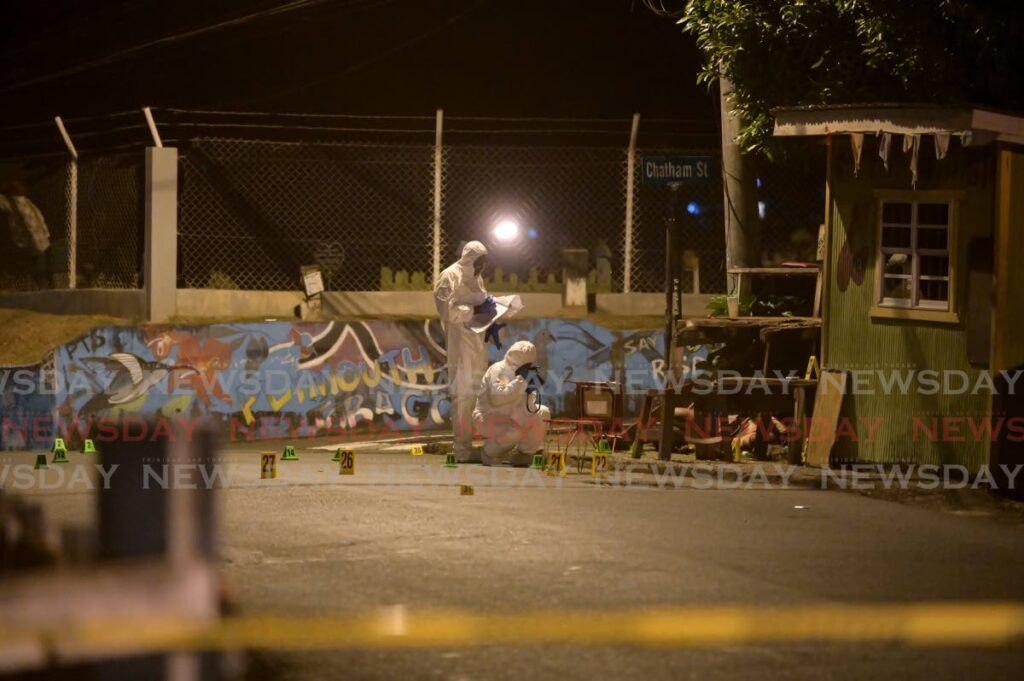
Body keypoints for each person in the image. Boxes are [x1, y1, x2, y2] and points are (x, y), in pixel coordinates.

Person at [433, 241, 492, 462]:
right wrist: (475, 310)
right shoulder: (449, 276)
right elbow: (447, 311)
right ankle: (461, 449)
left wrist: (492, 309)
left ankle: (485, 446)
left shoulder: (477, 277)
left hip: (478, 343)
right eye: (480, 262)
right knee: (462, 395)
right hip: (460, 344)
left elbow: (481, 301)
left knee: (480, 394)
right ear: (471, 259)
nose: (482, 267)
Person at [474, 340, 550, 466]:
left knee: (542, 412)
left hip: (511, 415)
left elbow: (529, 409)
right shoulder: (498, 370)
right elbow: (497, 399)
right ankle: (489, 453)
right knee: (516, 430)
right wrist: (520, 381)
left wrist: (530, 391)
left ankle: (525, 454)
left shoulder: (524, 375)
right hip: (487, 417)